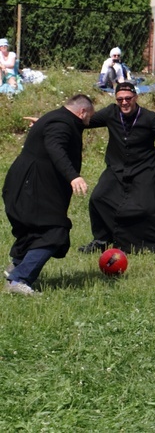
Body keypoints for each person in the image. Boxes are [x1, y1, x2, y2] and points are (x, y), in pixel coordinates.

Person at [3, 95, 95, 295]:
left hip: (28, 182)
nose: (88, 122)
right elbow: (55, 147)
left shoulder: (55, 118)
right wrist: (73, 176)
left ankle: (16, 268)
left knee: (35, 227)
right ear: (82, 112)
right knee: (55, 231)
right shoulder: (60, 123)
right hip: (32, 184)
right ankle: (18, 279)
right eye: (89, 118)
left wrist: (42, 124)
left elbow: (51, 134)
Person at [79, 82, 155, 254]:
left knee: (147, 208)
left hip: (145, 170)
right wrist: (48, 123)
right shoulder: (111, 113)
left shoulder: (149, 117)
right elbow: (83, 121)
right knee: (98, 198)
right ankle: (102, 240)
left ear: (135, 97)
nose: (124, 103)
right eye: (120, 99)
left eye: (128, 98)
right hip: (117, 168)